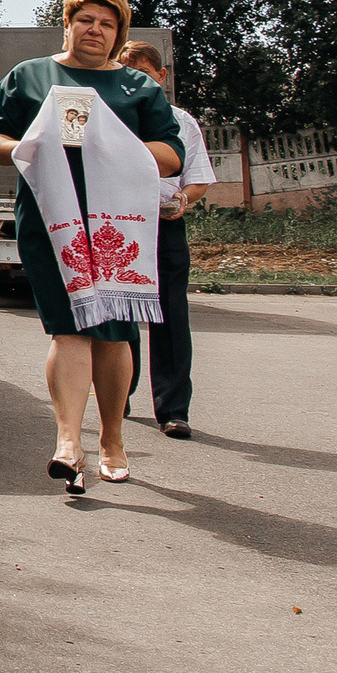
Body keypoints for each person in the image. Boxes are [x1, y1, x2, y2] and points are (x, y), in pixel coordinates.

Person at [0, 0, 184, 493]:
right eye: (86, 20)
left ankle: (112, 440)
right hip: (52, 221)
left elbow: (171, 154)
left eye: (108, 24)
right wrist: (30, 147)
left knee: (113, 333)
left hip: (119, 225)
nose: (96, 30)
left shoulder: (139, 87)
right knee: (68, 329)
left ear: (120, 34)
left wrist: (114, 143)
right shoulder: (30, 76)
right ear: (67, 24)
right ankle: (69, 442)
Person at [117, 40, 213, 438]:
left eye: (143, 74)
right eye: (128, 75)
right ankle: (118, 392)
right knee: (119, 312)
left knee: (171, 315)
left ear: (161, 76)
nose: (136, 82)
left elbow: (199, 180)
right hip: (119, 225)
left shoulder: (180, 121)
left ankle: (173, 409)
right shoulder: (111, 117)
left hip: (165, 224)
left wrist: (181, 200)